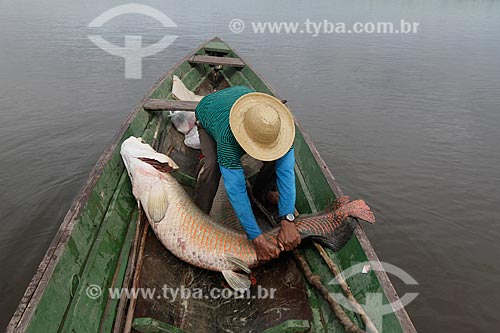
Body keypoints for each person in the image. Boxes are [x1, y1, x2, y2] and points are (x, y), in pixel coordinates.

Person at [194, 86, 300, 262]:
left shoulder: (279, 130)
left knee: (277, 160)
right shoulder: (228, 140)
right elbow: (236, 191)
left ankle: (262, 194)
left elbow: (286, 173)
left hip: (241, 96)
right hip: (208, 111)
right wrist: (256, 238)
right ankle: (199, 216)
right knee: (212, 166)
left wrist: (287, 218)